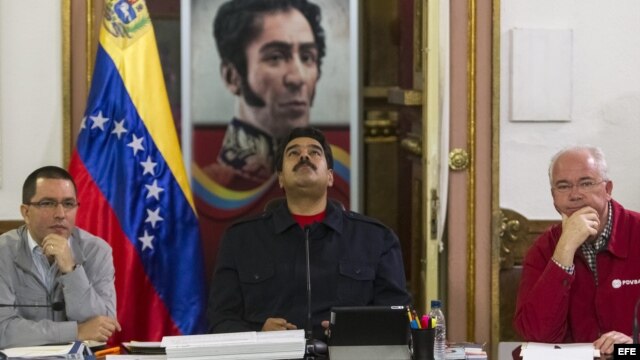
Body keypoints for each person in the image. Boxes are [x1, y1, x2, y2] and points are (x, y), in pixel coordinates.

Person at [207, 127, 411, 341]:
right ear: (281, 179)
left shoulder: (376, 239)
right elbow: (220, 320)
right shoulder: (241, 239)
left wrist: (354, 332)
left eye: (315, 152)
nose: (304, 156)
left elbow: (397, 319)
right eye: (293, 153)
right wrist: (259, 334)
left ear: (330, 176)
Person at [514, 146, 640, 355]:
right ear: (553, 196)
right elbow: (536, 335)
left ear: (607, 189)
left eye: (586, 183)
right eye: (563, 186)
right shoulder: (543, 249)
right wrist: (564, 250)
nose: (575, 195)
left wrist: (633, 346)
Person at [203, 0, 326, 189]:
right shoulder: (208, 186)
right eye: (275, 57)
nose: (298, 78)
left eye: (307, 57)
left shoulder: (332, 178)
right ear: (232, 77)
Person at [0, 166, 120, 348]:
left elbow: (103, 328)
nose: (61, 214)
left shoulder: (97, 251)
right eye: (47, 203)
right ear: (26, 212)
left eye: (69, 204)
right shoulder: (3, 252)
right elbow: (3, 331)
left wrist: (71, 270)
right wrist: (77, 331)